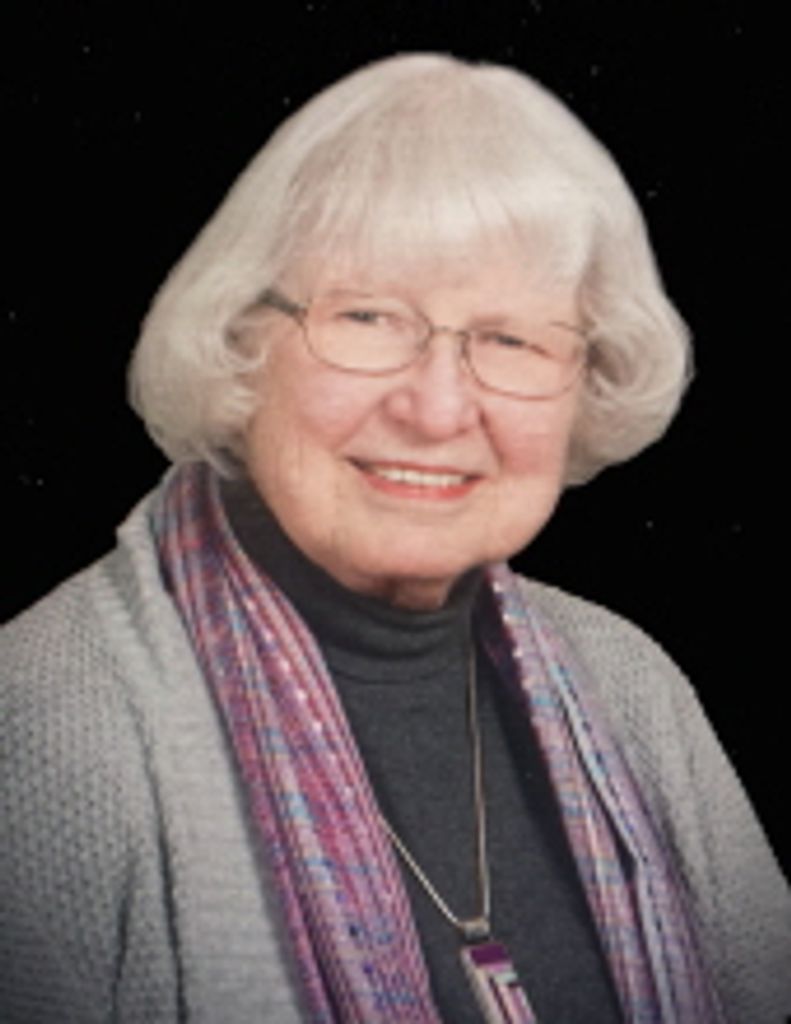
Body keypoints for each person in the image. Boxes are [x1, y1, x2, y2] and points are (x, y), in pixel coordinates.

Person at [2, 52, 789, 1024]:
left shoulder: (629, 685)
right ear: (239, 344)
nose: (437, 407)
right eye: (367, 317)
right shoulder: (42, 728)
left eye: (510, 339)